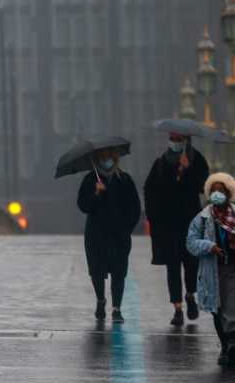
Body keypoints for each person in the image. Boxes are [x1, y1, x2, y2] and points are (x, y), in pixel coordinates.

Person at [186, 173, 235, 368]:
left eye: (221, 190)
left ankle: (233, 343)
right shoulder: (201, 218)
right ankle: (225, 347)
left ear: (229, 193)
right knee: (218, 310)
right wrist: (209, 246)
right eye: (214, 190)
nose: (218, 193)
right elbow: (191, 243)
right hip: (212, 271)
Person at [143, 133, 209, 326]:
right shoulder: (161, 163)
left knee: (191, 263)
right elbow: (149, 188)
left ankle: (190, 295)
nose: (174, 141)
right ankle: (177, 308)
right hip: (167, 224)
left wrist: (188, 171)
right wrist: (152, 214)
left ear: (186, 140)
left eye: (178, 138)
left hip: (190, 222)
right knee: (172, 266)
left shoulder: (197, 160)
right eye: (172, 138)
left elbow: (203, 187)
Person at [77, 148, 142, 323]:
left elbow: (135, 208)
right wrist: (96, 193)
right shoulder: (90, 179)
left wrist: (126, 227)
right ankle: (100, 299)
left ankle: (117, 308)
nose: (107, 160)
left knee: (119, 272)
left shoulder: (125, 180)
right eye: (103, 157)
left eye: (110, 157)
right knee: (97, 271)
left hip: (119, 235)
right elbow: (83, 205)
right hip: (96, 236)